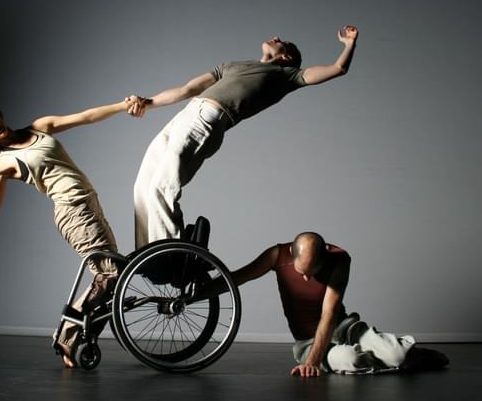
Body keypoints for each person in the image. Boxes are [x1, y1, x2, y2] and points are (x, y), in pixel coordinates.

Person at [0, 96, 144, 368]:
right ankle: (67, 337)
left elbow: (87, 115)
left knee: (113, 277)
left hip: (90, 203)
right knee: (111, 274)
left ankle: (77, 338)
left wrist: (124, 106)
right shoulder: (1, 163)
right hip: (72, 212)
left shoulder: (40, 126)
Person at [128, 26, 359, 249]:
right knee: (143, 185)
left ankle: (169, 258)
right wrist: (147, 103)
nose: (276, 35)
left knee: (163, 186)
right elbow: (187, 89)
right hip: (185, 116)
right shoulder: (231, 65)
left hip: (207, 120)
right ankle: (145, 254)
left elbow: (338, 68)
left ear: (287, 57)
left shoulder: (288, 76)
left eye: (282, 41)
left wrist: (349, 44)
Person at [214, 232, 448, 376]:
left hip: (344, 327)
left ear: (324, 255)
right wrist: (189, 298)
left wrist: (313, 363)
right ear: (291, 253)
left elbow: (329, 313)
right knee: (351, 360)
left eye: (312, 272)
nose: (306, 278)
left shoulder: (339, 259)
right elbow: (236, 278)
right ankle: (398, 356)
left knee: (396, 356)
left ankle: (404, 355)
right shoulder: (277, 255)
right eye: (301, 272)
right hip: (308, 341)